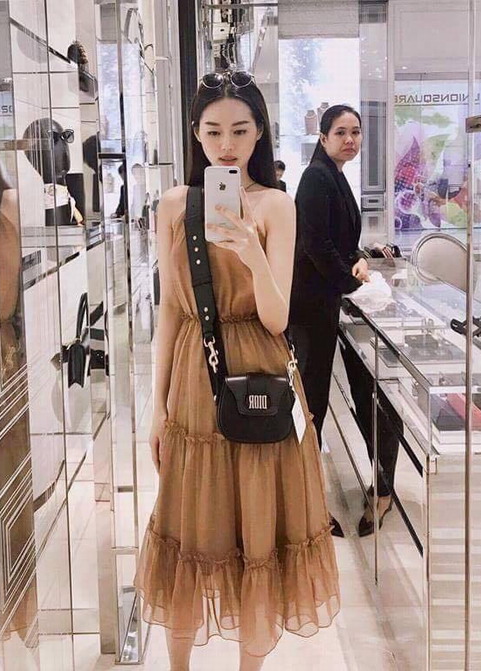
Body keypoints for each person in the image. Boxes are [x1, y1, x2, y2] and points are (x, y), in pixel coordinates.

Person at [135, 70, 340, 670]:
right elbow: (170, 310)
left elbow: (277, 318)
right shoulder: (174, 205)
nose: (227, 145)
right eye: (213, 131)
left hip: (262, 373)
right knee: (190, 526)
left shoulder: (277, 205)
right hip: (195, 377)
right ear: (196, 134)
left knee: (259, 527)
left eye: (240, 131)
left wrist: (251, 250)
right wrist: (157, 407)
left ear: (259, 133)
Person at [288, 105, 370, 538]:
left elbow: (338, 240)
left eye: (355, 131)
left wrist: (356, 260)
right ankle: (305, 505)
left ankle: (308, 496)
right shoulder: (317, 177)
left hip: (321, 303)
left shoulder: (333, 175)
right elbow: (315, 244)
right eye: (340, 132)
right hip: (308, 307)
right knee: (310, 402)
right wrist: (350, 284)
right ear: (323, 137)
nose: (349, 139)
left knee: (315, 399)